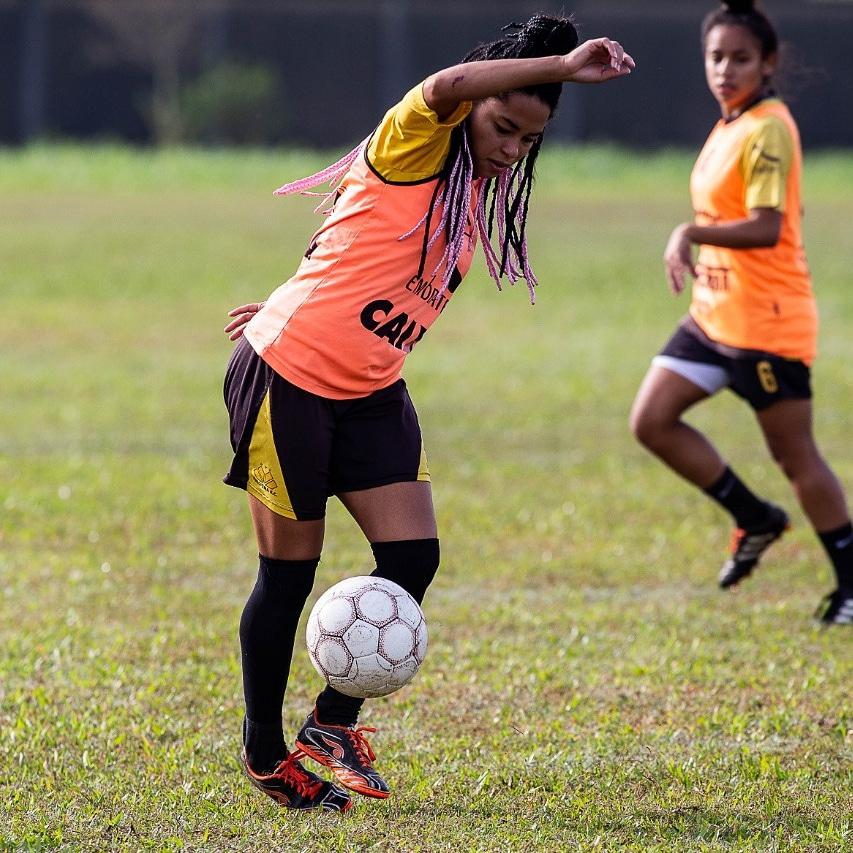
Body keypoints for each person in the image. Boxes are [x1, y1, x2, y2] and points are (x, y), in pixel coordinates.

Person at [222, 15, 635, 812]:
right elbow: (443, 88)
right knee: (288, 576)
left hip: (372, 388)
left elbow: (346, 240)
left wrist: (288, 291)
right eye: (503, 126)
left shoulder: (470, 185)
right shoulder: (417, 141)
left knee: (412, 560)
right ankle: (265, 752)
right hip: (291, 379)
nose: (512, 148)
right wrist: (564, 65)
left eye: (528, 140)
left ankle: (332, 724)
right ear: (475, 106)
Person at [630, 0, 852, 625]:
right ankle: (755, 517)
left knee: (796, 456)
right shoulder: (729, 123)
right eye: (716, 56)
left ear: (768, 62)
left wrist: (689, 234)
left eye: (741, 58)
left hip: (766, 323)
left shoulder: (768, 127)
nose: (725, 69)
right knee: (652, 420)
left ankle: (851, 584)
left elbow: (765, 227)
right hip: (713, 314)